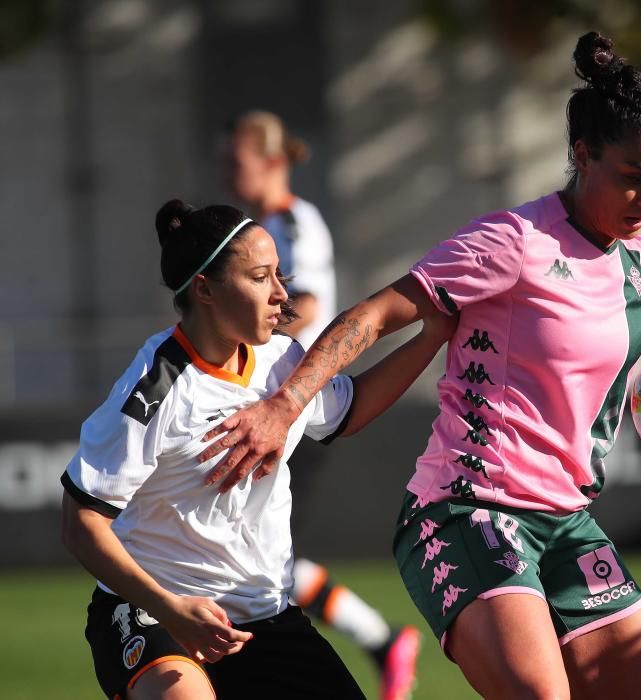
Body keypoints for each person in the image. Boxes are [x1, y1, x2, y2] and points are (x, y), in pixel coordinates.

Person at [196, 32, 641, 700]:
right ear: (583, 153)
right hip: (463, 514)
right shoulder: (511, 242)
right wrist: (285, 403)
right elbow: (375, 314)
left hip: (568, 524)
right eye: (634, 176)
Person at [60, 200, 454, 699]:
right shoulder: (154, 388)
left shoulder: (279, 357)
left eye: (279, 275)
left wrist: (432, 337)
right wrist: (169, 607)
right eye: (260, 277)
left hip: (262, 618)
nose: (281, 294)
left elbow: (348, 411)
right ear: (205, 289)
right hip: (154, 615)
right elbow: (81, 523)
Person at [225, 110, 423, 700]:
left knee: (259, 561)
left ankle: (381, 641)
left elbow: (307, 304)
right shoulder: (264, 227)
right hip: (276, 403)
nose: (230, 173)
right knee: (256, 555)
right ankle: (383, 642)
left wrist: (244, 335)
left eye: (237, 160)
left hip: (297, 407)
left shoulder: (293, 222)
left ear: (272, 160)